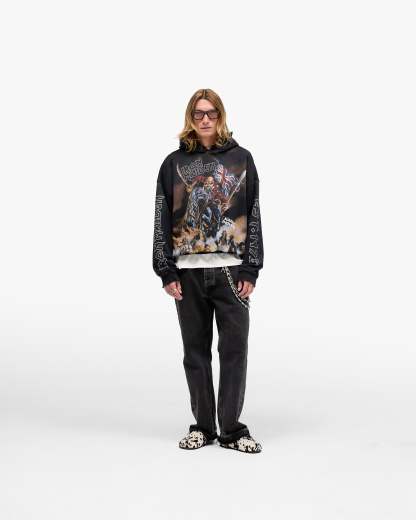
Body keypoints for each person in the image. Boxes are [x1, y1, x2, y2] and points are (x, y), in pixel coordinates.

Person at [152, 88, 264, 454]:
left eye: (211, 113)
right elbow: (161, 217)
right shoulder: (173, 164)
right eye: (198, 113)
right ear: (190, 117)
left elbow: (254, 213)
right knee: (195, 353)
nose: (204, 119)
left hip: (232, 273)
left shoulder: (242, 159)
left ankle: (231, 430)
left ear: (220, 116)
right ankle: (203, 427)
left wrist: (251, 267)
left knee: (234, 352)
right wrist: (166, 271)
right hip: (188, 274)